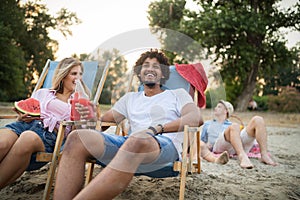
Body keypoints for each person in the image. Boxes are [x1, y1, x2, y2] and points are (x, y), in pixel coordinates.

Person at [54, 49, 229, 200]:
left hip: (163, 148)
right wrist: (92, 114)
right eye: (146, 65)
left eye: (156, 66)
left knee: (138, 138)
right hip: (130, 147)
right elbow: (102, 124)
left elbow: (195, 118)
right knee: (77, 138)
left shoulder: (177, 94)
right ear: (139, 72)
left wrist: (157, 129)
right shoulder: (129, 98)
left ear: (163, 74)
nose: (150, 69)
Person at [0, 57, 90, 189]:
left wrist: (82, 112)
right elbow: (28, 113)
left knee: (27, 138)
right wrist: (22, 117)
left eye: (80, 74)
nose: (78, 78)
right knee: (2, 144)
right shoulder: (42, 93)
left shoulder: (80, 101)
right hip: (23, 126)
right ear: (63, 75)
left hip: (47, 136)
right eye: (74, 74)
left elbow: (81, 130)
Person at [201, 100, 277, 169]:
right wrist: (207, 145)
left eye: (219, 107)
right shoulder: (208, 124)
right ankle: (242, 156)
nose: (215, 108)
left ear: (226, 111)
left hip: (237, 143)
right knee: (234, 126)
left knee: (258, 119)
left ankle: (264, 154)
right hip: (219, 146)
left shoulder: (231, 124)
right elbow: (201, 142)